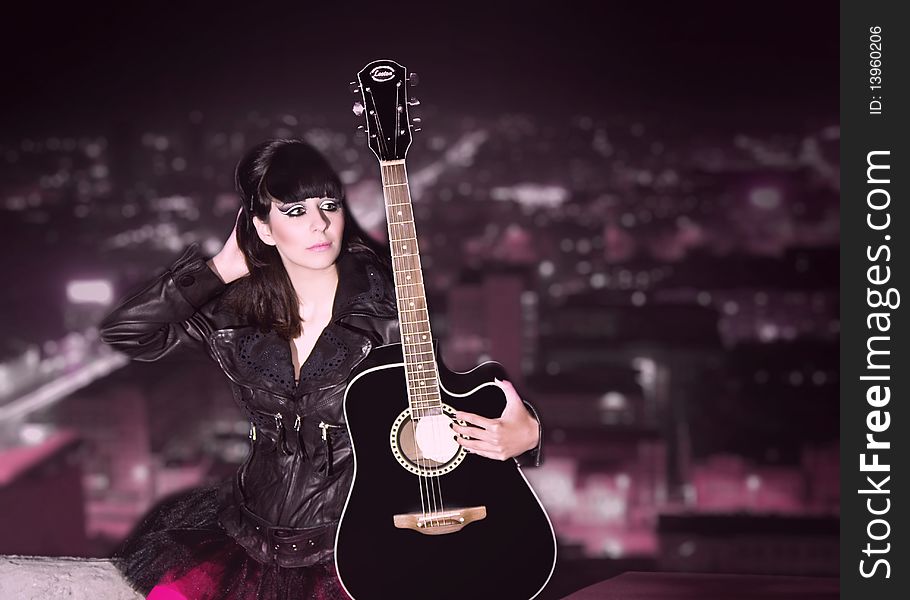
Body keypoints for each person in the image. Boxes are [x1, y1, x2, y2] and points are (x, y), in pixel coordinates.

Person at [99, 139, 543, 600]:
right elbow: (128, 333)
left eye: (328, 204)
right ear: (264, 229)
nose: (320, 223)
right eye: (294, 210)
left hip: (353, 541)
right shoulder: (232, 312)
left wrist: (527, 433)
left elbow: (450, 400)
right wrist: (216, 269)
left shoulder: (390, 312)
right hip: (248, 536)